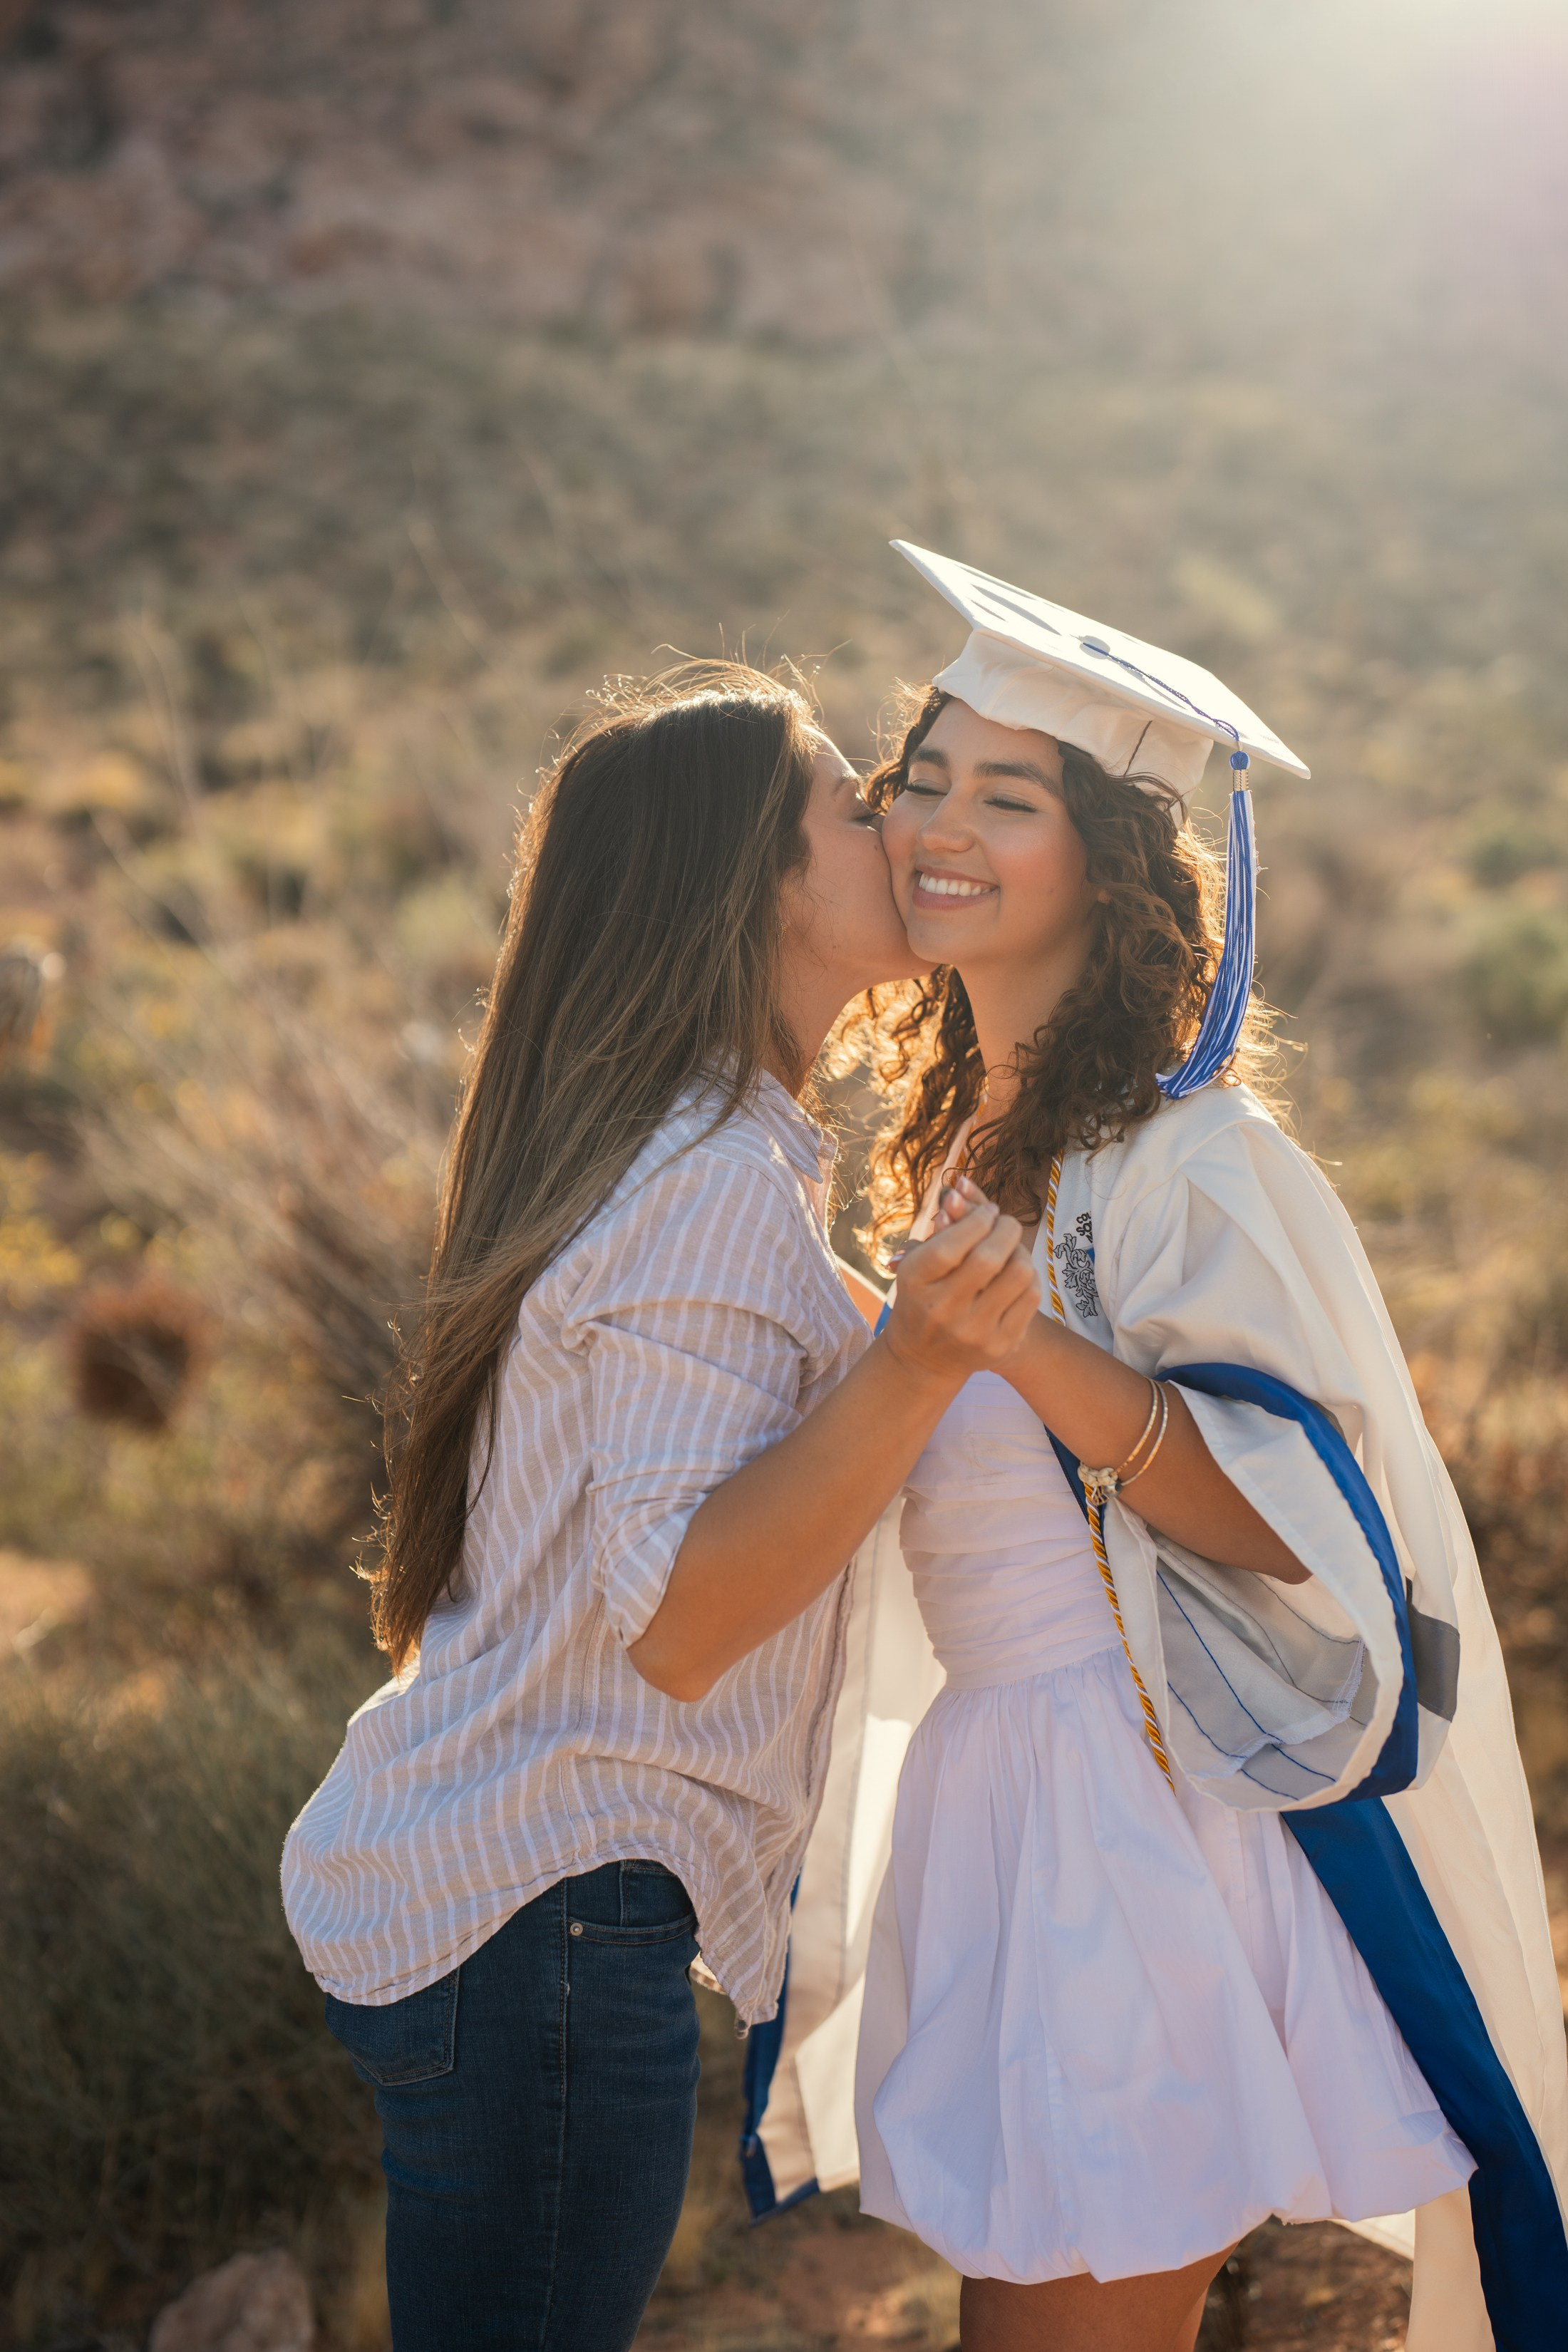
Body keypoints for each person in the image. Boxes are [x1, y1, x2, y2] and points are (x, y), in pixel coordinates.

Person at [815, 546, 1564, 2352]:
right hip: (1004, 1810)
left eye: (1008, 794)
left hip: (1128, 1831)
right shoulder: (964, 1152)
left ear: (1110, 856)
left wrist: (1029, 1353)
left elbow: (1293, 1531)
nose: (941, 822)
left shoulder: (1188, 1165)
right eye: (921, 775)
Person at [281, 663, 1046, 2352]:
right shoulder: (704, 1181)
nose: (899, 826)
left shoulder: (710, 1155)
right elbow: (686, 1619)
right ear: (750, 887)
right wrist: (910, 1365)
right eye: (853, 805)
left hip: (521, 1914)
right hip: (545, 1922)